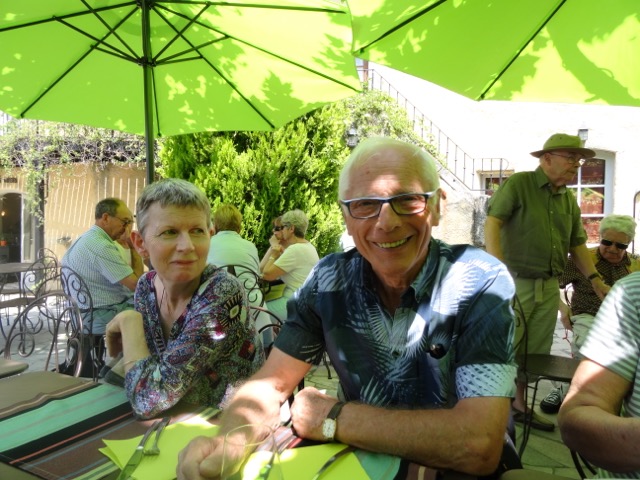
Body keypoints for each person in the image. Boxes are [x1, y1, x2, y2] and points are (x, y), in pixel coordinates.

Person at [177, 137, 517, 480]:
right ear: (345, 216)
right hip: (359, 466)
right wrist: (229, 442)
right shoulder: (329, 280)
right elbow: (272, 384)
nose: (386, 222)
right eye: (365, 204)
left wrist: (334, 418)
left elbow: (479, 445)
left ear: (437, 206)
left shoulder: (478, 280)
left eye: (407, 200)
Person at [104, 179, 263, 419]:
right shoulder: (146, 287)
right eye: (169, 232)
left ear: (210, 236)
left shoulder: (221, 292)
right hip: (176, 419)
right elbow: (152, 374)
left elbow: (148, 400)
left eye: (197, 231)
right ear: (140, 243)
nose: (187, 246)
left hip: (229, 426)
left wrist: (129, 321)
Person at [485, 132, 609, 432]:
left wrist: (595, 279)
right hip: (515, 282)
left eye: (579, 160)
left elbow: (577, 244)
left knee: (535, 351)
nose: (576, 164)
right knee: (506, 345)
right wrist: (498, 270)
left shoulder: (567, 199)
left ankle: (518, 405)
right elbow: (493, 222)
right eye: (571, 158)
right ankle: (492, 410)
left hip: (549, 284)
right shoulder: (520, 184)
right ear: (547, 159)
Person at [540, 214, 640, 414]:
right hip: (588, 315)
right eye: (607, 242)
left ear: (629, 243)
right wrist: (563, 308)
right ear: (600, 237)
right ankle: (571, 393)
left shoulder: (635, 264)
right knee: (589, 346)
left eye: (620, 245)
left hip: (625, 323)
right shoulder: (584, 260)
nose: (612, 249)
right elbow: (548, 284)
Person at [558, 272, 640, 478]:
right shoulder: (628, 288)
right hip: (587, 315)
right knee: (585, 338)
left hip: (606, 320)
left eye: (620, 251)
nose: (614, 253)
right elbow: (558, 280)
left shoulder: (628, 265)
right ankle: (566, 387)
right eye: (608, 245)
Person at [61, 198, 144, 376]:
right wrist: (134, 248)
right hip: (98, 315)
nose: (127, 228)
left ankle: (118, 366)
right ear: (106, 218)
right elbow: (137, 285)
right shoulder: (101, 246)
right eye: (125, 221)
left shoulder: (86, 239)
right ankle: (123, 371)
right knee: (155, 315)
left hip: (81, 314)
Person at [207, 204, 273, 344]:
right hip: (253, 310)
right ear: (239, 226)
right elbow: (256, 276)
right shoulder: (250, 246)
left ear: (216, 225)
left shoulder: (207, 245)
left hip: (218, 311)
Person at [259, 209, 319, 320]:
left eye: (283, 227)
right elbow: (262, 269)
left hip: (296, 304)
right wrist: (274, 247)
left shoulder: (296, 249)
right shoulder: (307, 247)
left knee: (257, 313)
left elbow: (267, 275)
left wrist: (274, 253)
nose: (282, 230)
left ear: (291, 229)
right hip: (305, 303)